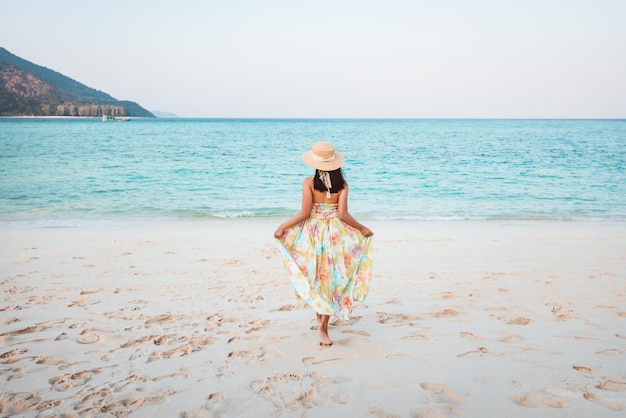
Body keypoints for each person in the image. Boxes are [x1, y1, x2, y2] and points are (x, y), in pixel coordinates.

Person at [274, 141, 373, 347]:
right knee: (332, 277)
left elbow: (304, 213)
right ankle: (323, 322)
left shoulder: (309, 182)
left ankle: (322, 325)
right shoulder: (343, 185)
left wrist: (283, 226)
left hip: (312, 233)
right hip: (336, 234)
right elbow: (344, 215)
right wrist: (362, 228)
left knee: (317, 275)